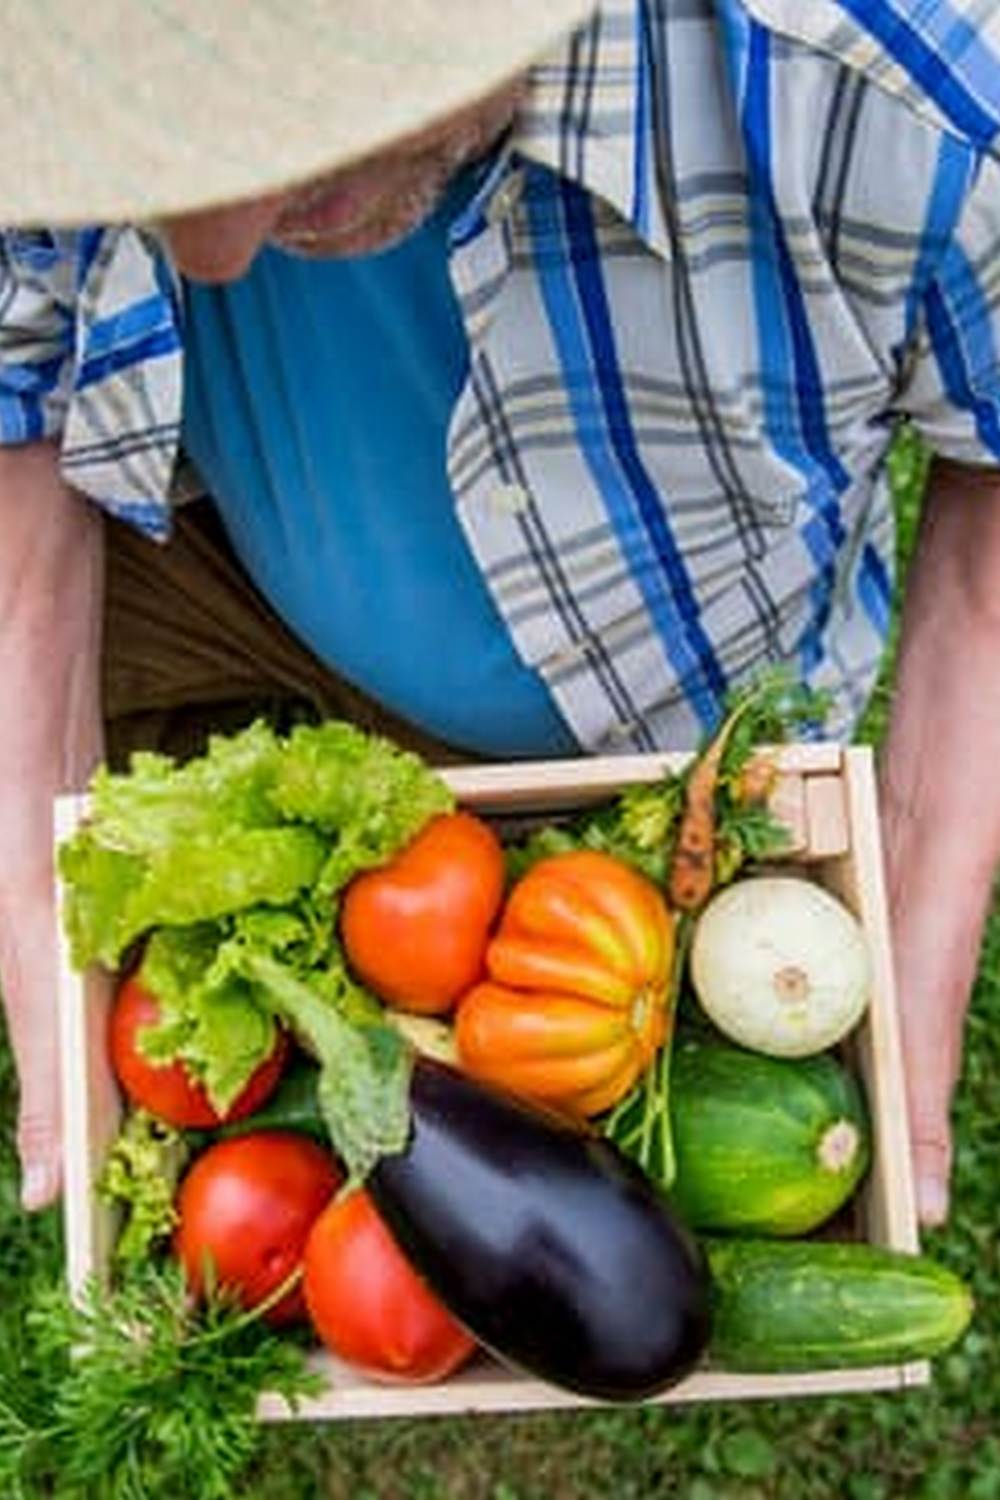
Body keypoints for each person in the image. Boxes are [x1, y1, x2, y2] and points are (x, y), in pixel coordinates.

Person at [1, 0, 998, 1229]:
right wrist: (32, 850)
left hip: (638, 700)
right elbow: (20, 381)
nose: (212, 250)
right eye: (153, 155)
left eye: (305, 137)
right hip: (204, 531)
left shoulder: (914, 100)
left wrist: (918, 881)